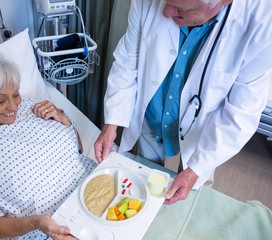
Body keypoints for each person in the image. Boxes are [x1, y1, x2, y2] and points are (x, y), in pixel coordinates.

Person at [94, 0, 272, 205]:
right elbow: (127, 62)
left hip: (204, 134)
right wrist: (111, 124)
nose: (166, 12)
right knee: (143, 186)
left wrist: (196, 170)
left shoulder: (262, 25)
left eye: (180, 8)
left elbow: (241, 112)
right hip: (151, 115)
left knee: (191, 197)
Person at [0, 50, 97, 240]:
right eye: (0, 100)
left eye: (15, 95)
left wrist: (65, 120)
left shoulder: (34, 107)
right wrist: (36, 223)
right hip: (53, 229)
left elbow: (77, 151)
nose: (13, 107)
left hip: (96, 188)